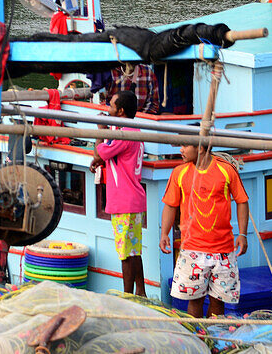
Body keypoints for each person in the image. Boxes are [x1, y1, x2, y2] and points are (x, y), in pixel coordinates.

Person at [159, 143, 249, 317]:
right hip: (192, 248)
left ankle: (214, 340)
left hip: (223, 249)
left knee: (218, 301)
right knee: (195, 300)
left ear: (200, 148)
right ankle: (198, 339)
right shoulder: (179, 172)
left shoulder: (226, 169)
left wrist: (243, 235)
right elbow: (170, 205)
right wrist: (164, 233)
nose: (181, 150)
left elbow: (242, 201)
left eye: (185, 146)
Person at [89, 90, 146, 296]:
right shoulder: (131, 129)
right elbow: (107, 154)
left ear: (120, 111)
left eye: (111, 106)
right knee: (133, 251)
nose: (108, 109)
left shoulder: (124, 133)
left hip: (124, 201)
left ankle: (128, 296)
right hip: (132, 199)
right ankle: (140, 292)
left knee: (125, 254)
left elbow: (101, 151)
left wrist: (100, 130)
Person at [93, 63, 161, 115]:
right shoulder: (110, 72)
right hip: (114, 118)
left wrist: (138, 119)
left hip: (141, 120)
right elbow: (102, 101)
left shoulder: (147, 72)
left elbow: (153, 104)